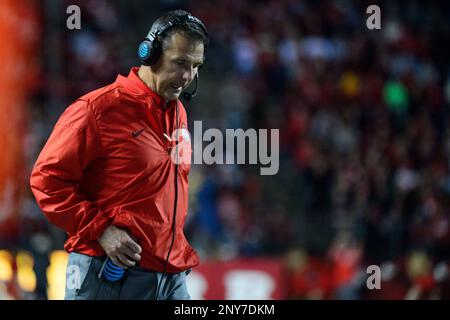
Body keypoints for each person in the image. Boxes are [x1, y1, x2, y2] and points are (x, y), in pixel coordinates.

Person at [29, 10, 208, 300]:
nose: (187, 76)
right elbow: (46, 180)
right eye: (179, 63)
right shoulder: (97, 109)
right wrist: (101, 230)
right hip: (109, 275)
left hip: (170, 276)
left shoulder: (177, 113)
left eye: (196, 66)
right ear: (149, 54)